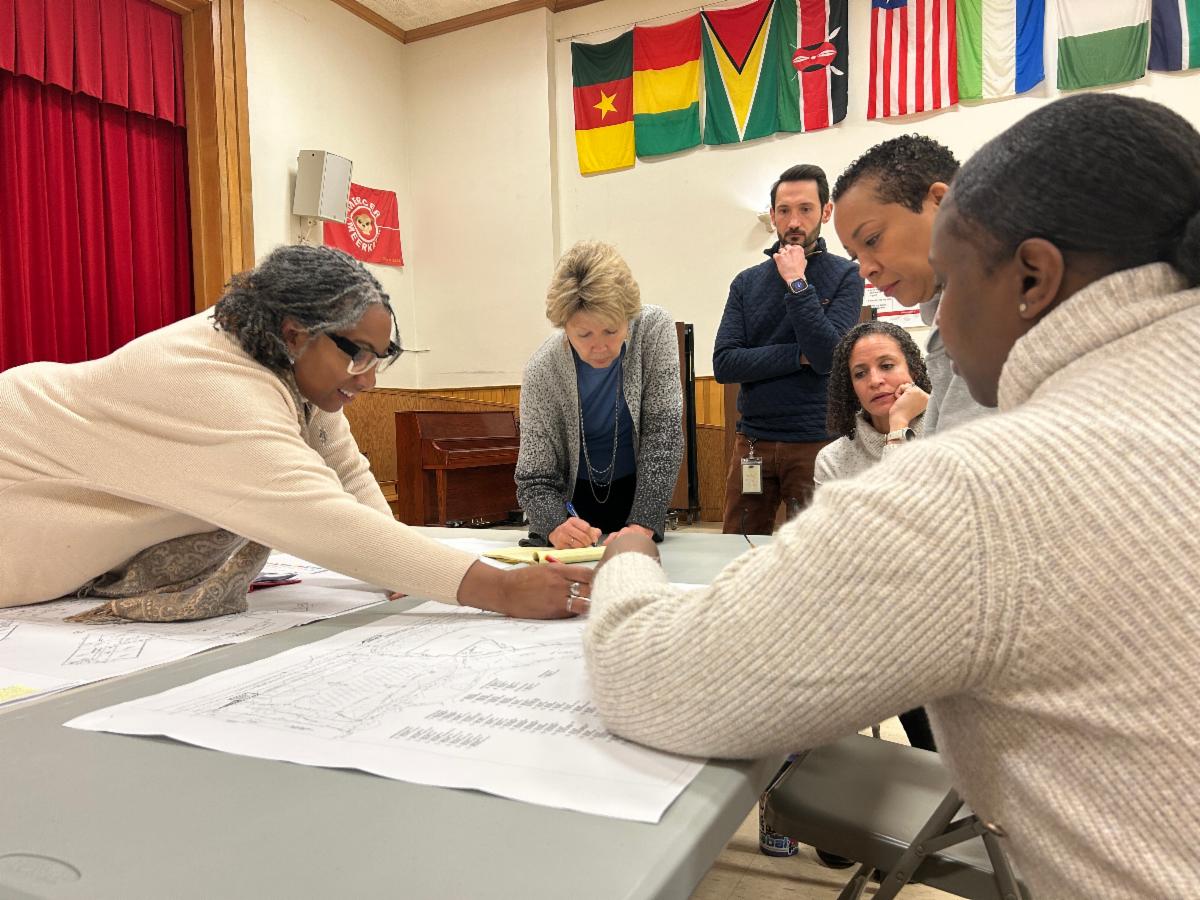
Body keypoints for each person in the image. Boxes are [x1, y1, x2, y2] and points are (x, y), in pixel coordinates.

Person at [584, 94, 1200, 897]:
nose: (923, 321)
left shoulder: (986, 491)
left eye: (944, 282)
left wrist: (628, 557)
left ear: (1032, 276)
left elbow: (654, 680)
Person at [0, 245, 592, 621]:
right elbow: (320, 517)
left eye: (378, 360)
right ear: (292, 331)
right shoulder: (209, 384)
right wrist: (503, 592)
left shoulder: (288, 364)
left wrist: (399, 574)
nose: (366, 383)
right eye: (358, 356)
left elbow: (347, 475)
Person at [714, 164, 864, 535]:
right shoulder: (747, 283)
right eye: (784, 211)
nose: (793, 221)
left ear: (825, 212)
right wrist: (798, 356)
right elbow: (725, 363)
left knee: (816, 556)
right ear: (773, 214)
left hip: (817, 443)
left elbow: (828, 357)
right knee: (737, 548)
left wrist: (797, 282)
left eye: (805, 209)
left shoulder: (846, 275)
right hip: (753, 442)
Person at [516, 241, 683, 550]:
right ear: (564, 327)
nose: (600, 347)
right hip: (573, 511)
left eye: (610, 331)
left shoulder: (653, 330)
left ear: (629, 316)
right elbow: (534, 475)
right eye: (584, 335)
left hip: (638, 497)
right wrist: (554, 525)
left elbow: (664, 436)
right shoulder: (543, 369)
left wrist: (642, 524)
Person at [831, 135, 991, 434]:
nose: (865, 270)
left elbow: (971, 463)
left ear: (940, 202)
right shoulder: (949, 311)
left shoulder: (997, 300)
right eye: (856, 256)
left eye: (872, 239)